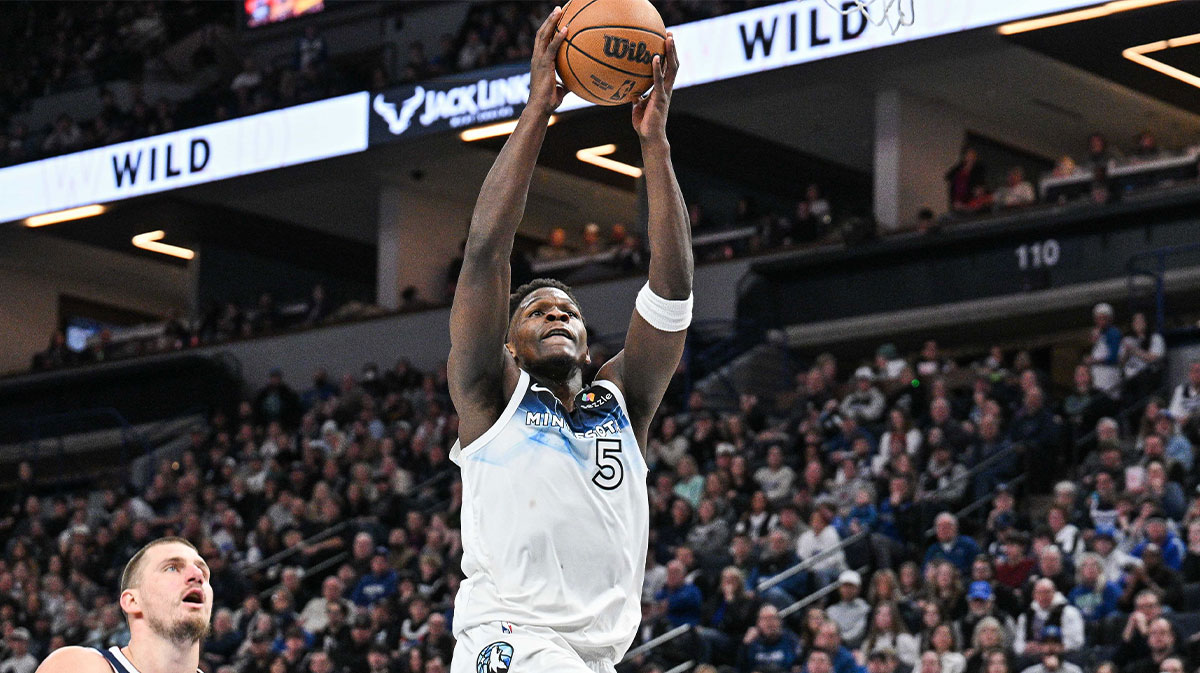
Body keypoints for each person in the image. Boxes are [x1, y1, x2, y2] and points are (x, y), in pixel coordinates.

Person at [445, 12, 689, 673]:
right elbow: (487, 252)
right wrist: (538, 110)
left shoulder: (624, 402)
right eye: (536, 311)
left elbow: (671, 294)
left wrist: (656, 146)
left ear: (587, 343)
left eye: (568, 311)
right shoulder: (490, 396)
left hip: (594, 655)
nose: (556, 314)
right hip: (512, 639)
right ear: (512, 344)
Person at [33, 537, 212, 673]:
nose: (197, 575)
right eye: (172, 568)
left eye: (203, 571)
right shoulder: (79, 667)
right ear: (133, 601)